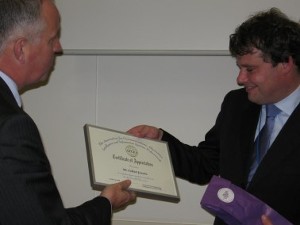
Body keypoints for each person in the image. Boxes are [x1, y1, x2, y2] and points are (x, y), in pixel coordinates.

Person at [128, 8, 300, 225]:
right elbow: (206, 165)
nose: (240, 78)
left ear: (285, 63)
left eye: (250, 69)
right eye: (240, 68)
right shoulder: (237, 104)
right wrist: (160, 141)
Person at [0, 0, 136, 224]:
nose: (58, 48)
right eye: (52, 39)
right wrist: (106, 203)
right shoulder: (12, 128)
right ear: (21, 48)